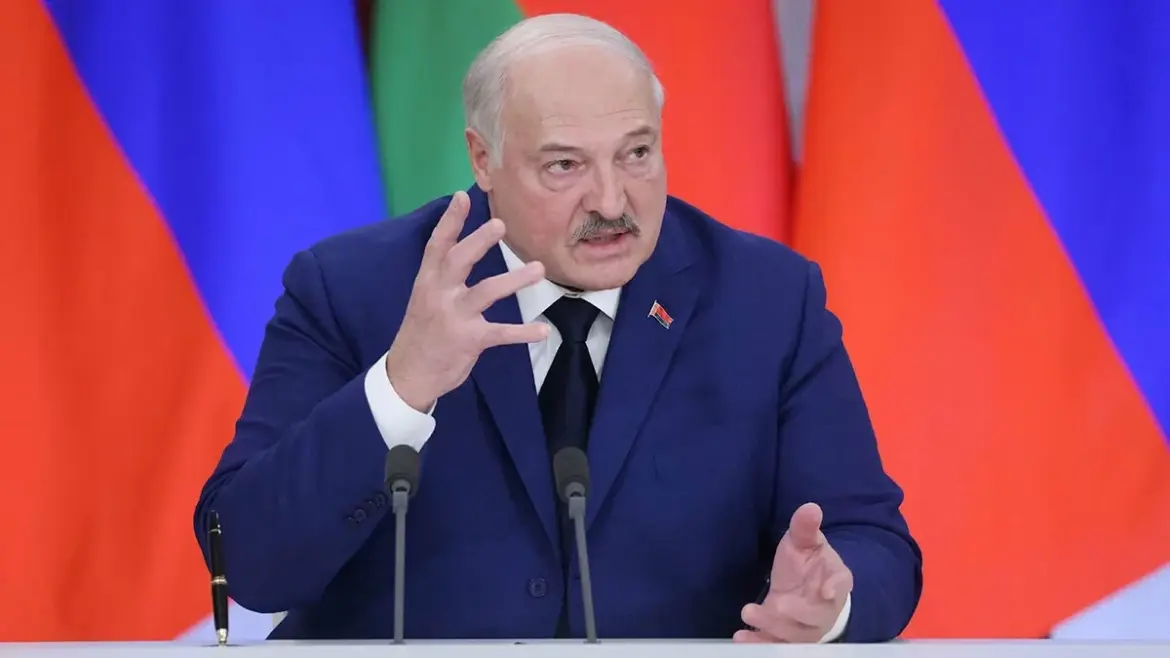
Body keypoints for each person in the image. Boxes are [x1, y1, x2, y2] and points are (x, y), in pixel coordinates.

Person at [194, 13, 922, 643]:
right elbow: (249, 561)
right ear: (484, 159)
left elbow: (872, 541)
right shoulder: (354, 289)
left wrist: (830, 603)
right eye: (565, 165)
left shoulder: (765, 298)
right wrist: (402, 386)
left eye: (637, 153)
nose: (611, 200)